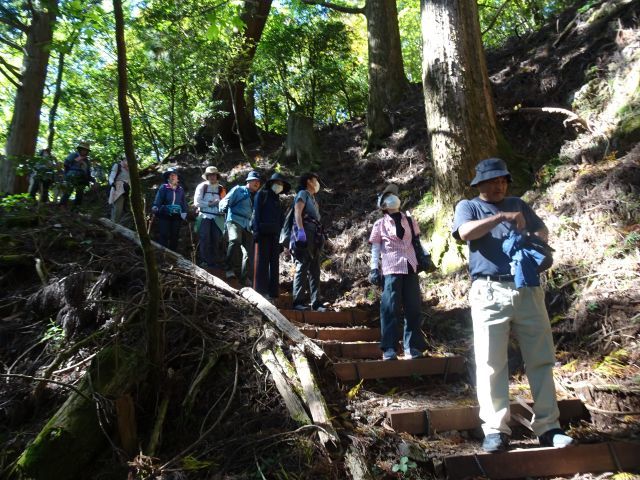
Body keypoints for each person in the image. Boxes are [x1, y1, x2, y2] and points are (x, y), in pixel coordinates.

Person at [452, 157, 574, 453]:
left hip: (527, 287)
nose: (499, 185)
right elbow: (465, 233)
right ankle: (495, 429)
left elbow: (542, 232)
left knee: (541, 359)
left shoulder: (520, 203)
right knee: (491, 362)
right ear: (479, 183)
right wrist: (501, 218)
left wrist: (529, 241)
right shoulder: (468, 206)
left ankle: (549, 427)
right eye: (493, 181)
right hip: (488, 290)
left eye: (503, 180)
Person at [368, 184, 427, 361]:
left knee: (413, 307)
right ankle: (389, 349)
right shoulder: (379, 224)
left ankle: (413, 347)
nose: (393, 198)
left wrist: (426, 257)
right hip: (391, 268)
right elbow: (376, 249)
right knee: (390, 309)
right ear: (383, 205)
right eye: (388, 196)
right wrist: (373, 268)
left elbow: (417, 241)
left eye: (394, 195)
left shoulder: (409, 220)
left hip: (410, 266)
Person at [291, 172, 327, 312]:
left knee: (315, 268)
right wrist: (300, 231)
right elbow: (297, 212)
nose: (317, 182)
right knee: (302, 265)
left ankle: (316, 303)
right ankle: (297, 301)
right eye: (315, 180)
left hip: (315, 235)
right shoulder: (303, 194)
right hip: (306, 232)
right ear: (308, 181)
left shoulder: (313, 199)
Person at [252, 173, 291, 301]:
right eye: (277, 183)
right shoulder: (262, 195)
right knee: (262, 263)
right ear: (271, 183)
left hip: (275, 236)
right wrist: (256, 231)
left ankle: (273, 293)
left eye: (281, 184)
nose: (279, 186)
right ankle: (260, 292)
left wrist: (282, 239)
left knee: (274, 264)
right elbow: (256, 214)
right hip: (263, 234)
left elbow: (281, 220)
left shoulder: (277, 200)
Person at [219, 170, 262, 285]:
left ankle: (244, 277)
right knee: (234, 239)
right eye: (254, 181)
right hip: (234, 219)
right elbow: (225, 201)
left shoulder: (257, 196)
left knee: (248, 251)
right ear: (248, 181)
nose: (257, 183)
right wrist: (223, 207)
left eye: (258, 181)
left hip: (248, 225)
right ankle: (229, 268)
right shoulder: (238, 190)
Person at [194, 166, 226, 269]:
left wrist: (220, 205)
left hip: (217, 218)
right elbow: (196, 202)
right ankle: (205, 261)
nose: (212, 177)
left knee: (216, 239)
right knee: (205, 238)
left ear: (217, 176)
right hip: (204, 216)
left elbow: (225, 202)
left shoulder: (221, 188)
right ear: (207, 176)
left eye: (214, 175)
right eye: (210, 175)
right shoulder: (202, 187)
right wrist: (210, 203)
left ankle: (214, 262)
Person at [152, 168, 188, 251]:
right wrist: (155, 207)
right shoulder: (164, 187)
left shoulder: (180, 189)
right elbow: (158, 199)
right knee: (163, 234)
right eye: (170, 175)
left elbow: (183, 202)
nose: (172, 177)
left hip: (177, 215)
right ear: (168, 178)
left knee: (174, 235)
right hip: (164, 214)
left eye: (174, 175)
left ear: (177, 178)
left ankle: (173, 255)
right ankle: (162, 254)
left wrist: (184, 212)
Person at [60, 142, 93, 207]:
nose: (84, 151)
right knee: (68, 191)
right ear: (80, 149)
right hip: (72, 175)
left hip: (82, 178)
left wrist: (90, 179)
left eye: (86, 150)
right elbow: (66, 164)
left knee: (80, 193)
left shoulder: (87, 160)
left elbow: (88, 171)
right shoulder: (74, 155)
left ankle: (76, 207)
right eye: (83, 149)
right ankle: (62, 205)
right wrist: (66, 174)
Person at [107, 156, 130, 223]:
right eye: (126, 159)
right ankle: (113, 224)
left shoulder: (130, 169)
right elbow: (111, 176)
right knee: (117, 209)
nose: (127, 160)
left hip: (128, 190)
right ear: (122, 159)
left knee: (126, 210)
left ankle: (118, 225)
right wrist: (112, 183)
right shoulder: (117, 166)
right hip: (119, 189)